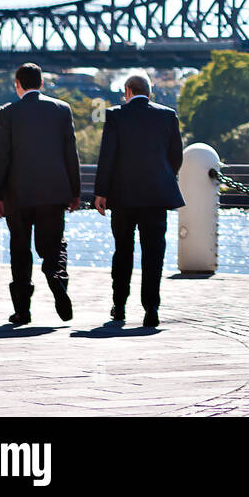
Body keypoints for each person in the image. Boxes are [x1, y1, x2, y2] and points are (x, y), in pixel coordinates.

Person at [0, 63, 82, 325]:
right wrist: (75, 192)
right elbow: (70, 155)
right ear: (41, 84)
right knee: (53, 246)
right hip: (54, 193)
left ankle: (22, 310)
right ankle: (56, 278)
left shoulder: (6, 113)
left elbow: (1, 156)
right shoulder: (62, 110)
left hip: (17, 195)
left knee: (20, 250)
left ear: (18, 84)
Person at [94, 71, 184, 327]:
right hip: (156, 196)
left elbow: (107, 156)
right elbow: (176, 156)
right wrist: (164, 176)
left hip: (122, 197)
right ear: (149, 92)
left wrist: (101, 192)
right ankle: (151, 308)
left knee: (122, 251)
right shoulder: (167, 115)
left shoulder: (115, 115)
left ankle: (119, 306)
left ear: (128, 91)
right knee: (153, 254)